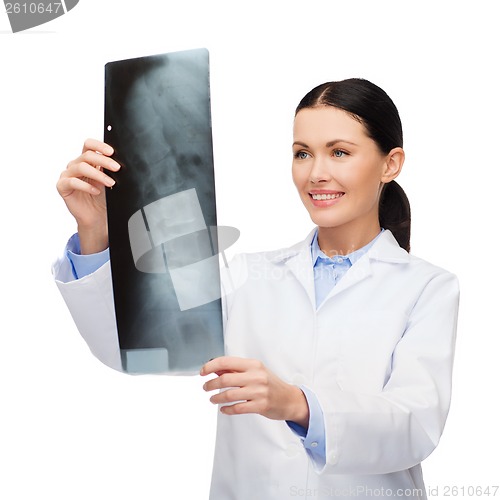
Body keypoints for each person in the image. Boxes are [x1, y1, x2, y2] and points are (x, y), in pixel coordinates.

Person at [53, 78, 460, 499]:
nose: (316, 173)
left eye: (339, 152)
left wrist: (296, 404)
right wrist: (95, 233)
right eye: (302, 153)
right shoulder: (244, 276)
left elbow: (415, 423)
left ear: (390, 164)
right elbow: (131, 347)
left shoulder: (427, 288)